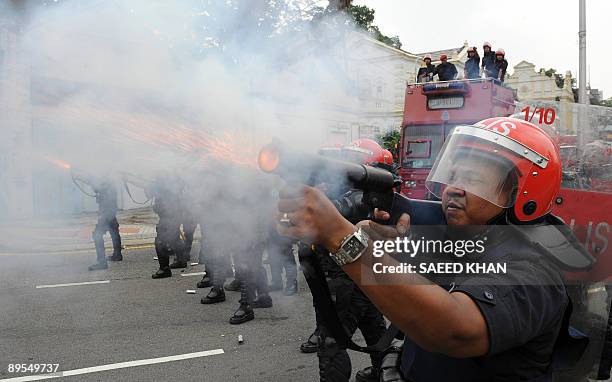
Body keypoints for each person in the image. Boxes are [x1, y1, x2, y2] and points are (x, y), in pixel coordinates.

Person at [278, 117, 588, 381]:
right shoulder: (461, 239)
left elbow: (454, 329)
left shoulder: (534, 271)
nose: (454, 187)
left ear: (523, 195)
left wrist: (340, 237)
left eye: (473, 179)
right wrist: (388, 244)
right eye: (452, 175)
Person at [300, 139, 389, 382]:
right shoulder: (367, 195)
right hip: (361, 277)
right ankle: (383, 374)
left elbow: (327, 213)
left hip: (343, 280)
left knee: (331, 344)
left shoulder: (360, 198)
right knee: (376, 334)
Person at [149, 176, 186, 279]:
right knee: (174, 240)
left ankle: (164, 269)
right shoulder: (171, 182)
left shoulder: (168, 185)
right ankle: (182, 259)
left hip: (169, 217)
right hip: (171, 216)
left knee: (160, 242)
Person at [88, 178, 122, 271]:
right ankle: (117, 254)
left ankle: (102, 262)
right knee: (114, 232)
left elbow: (98, 188)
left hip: (106, 212)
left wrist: (90, 181)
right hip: (111, 211)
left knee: (97, 235)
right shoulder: (110, 181)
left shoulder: (106, 183)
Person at [267, 227, 298, 295]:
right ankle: (276, 282)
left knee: (287, 255)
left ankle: (292, 283)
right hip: (272, 227)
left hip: (284, 226)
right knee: (273, 252)